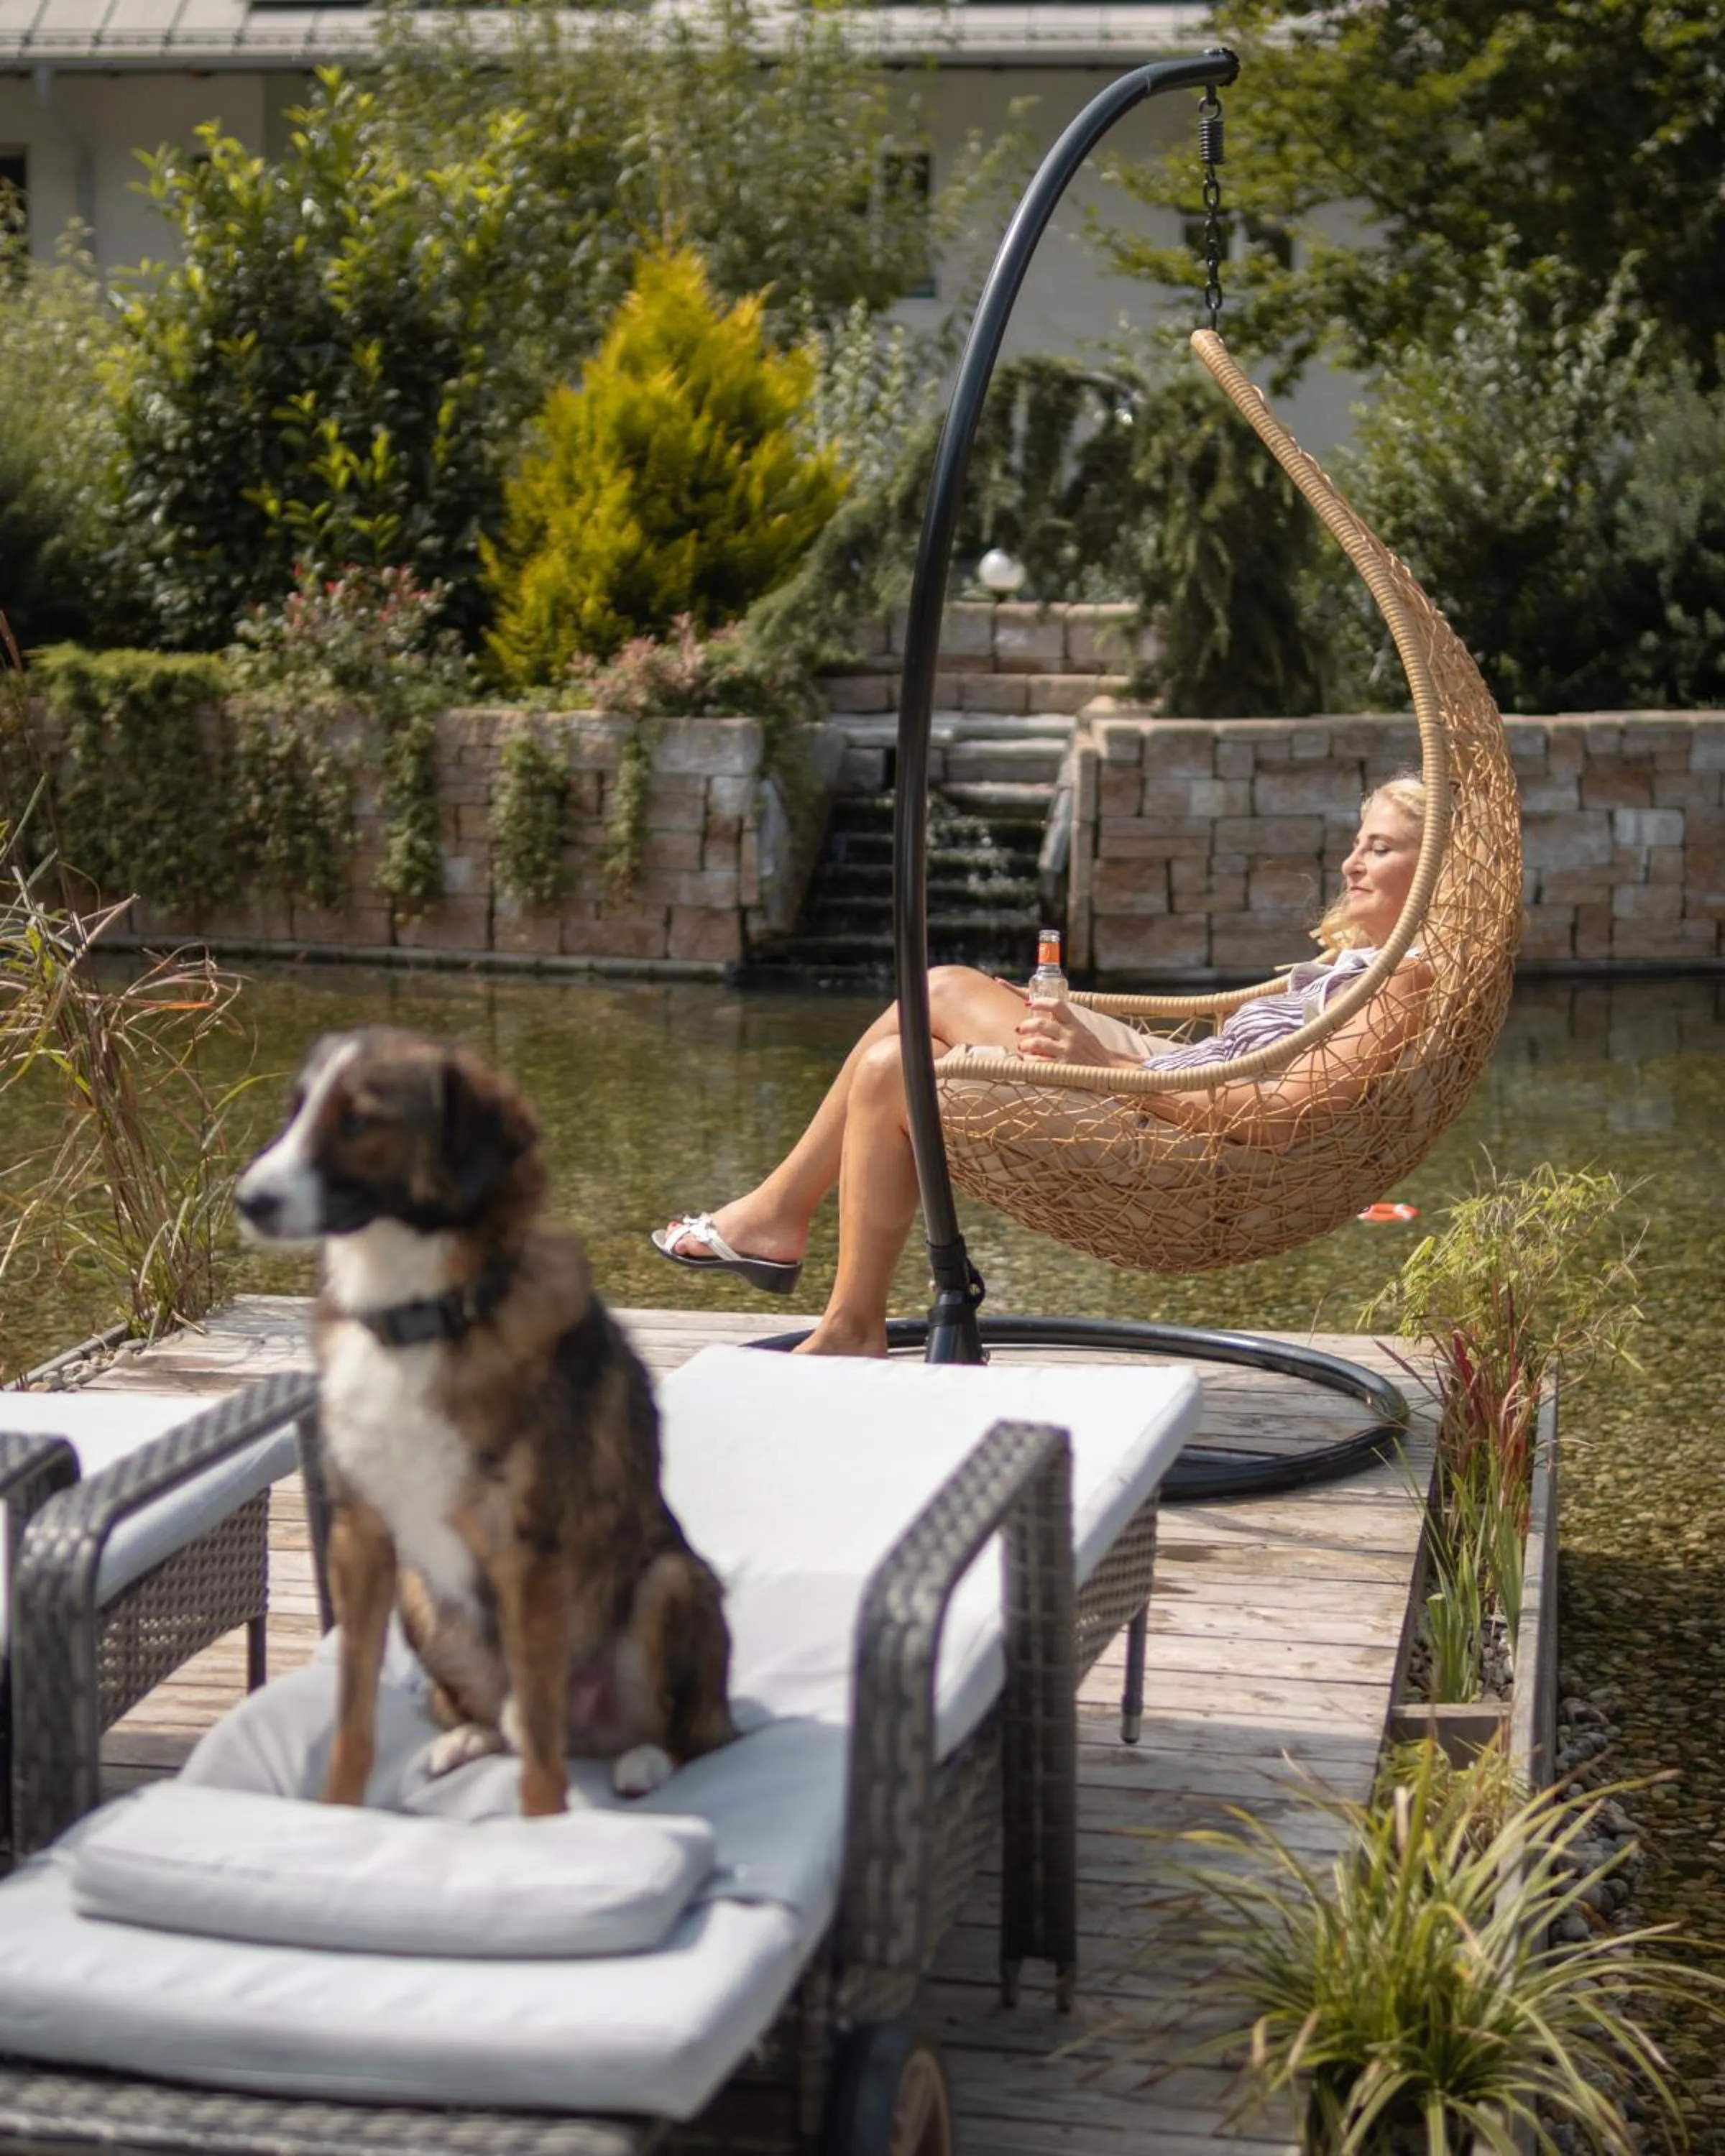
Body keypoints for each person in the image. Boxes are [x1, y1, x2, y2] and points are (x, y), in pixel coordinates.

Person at [652, 778, 1432, 1358]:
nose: (1351, 863)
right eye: (1358, 842)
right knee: (938, 994)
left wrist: (1106, 1061)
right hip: (1179, 1078)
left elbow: (1279, 1117)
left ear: (1432, 872)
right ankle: (803, 1255)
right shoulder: (1365, 967)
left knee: (897, 1067)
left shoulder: (1405, 980)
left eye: (1380, 848)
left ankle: (818, 1278)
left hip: (1187, 1132)